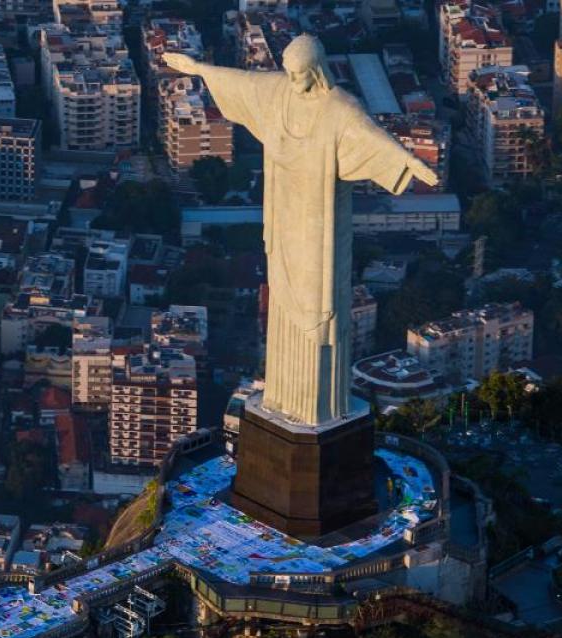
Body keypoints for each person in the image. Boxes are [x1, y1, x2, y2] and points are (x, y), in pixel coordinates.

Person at [165, 37, 438, 426]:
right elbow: (242, 82)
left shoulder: (338, 107)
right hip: (285, 213)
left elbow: (370, 137)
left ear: (317, 71)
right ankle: (282, 396)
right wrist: (197, 69)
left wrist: (411, 162)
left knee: (317, 304)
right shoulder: (277, 92)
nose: (294, 83)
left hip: (320, 223)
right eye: (290, 75)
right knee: (283, 300)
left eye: (301, 76)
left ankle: (320, 405)